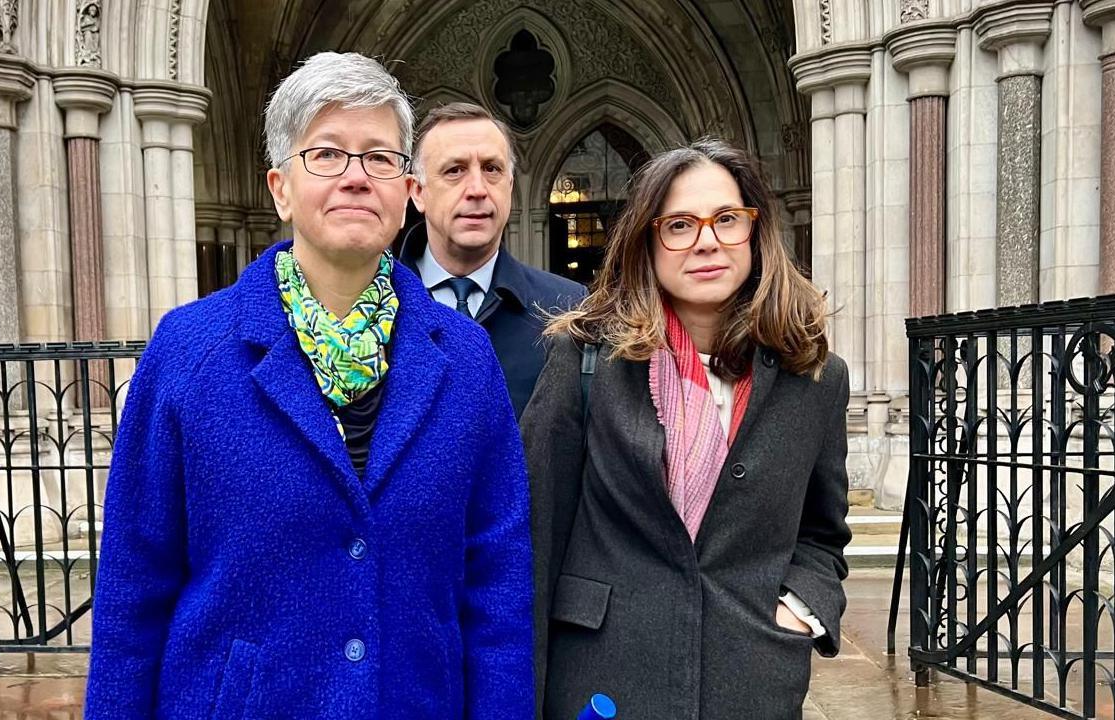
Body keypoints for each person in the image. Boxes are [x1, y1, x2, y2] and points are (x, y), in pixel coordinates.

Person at [84, 53, 533, 719]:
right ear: (281, 188)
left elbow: (497, 583)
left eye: (379, 157)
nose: (356, 176)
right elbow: (134, 585)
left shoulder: (465, 358)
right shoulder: (189, 350)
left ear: (407, 189)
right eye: (326, 154)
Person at [522, 138, 851, 719]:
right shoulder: (586, 359)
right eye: (678, 225)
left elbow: (821, 535)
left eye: (726, 219)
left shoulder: (814, 379)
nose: (706, 241)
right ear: (647, 243)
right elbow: (534, 533)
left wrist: (800, 610)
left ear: (755, 231)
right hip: (605, 678)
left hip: (750, 681)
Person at [400, 102, 585, 418]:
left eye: (492, 169)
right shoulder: (375, 305)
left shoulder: (567, 309)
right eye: (455, 170)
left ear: (509, 187)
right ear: (417, 192)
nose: (477, 189)